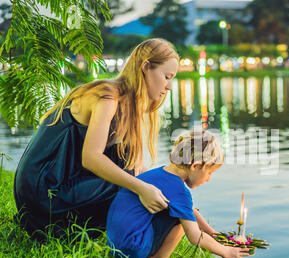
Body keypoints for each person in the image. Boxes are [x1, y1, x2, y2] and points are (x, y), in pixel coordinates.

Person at [13, 38, 178, 242]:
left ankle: (120, 234)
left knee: (126, 160)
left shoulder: (128, 105)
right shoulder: (108, 96)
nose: (169, 86)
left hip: (65, 183)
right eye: (167, 76)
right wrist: (141, 188)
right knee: (129, 178)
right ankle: (133, 242)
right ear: (146, 68)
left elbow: (139, 168)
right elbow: (91, 158)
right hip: (42, 192)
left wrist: (176, 197)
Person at [107, 129, 250, 258]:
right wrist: (225, 251)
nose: (208, 179)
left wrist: (211, 232)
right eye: (209, 173)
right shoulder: (179, 191)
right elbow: (195, 237)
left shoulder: (160, 174)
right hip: (132, 249)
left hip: (116, 245)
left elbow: (189, 209)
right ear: (195, 166)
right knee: (182, 219)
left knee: (182, 211)